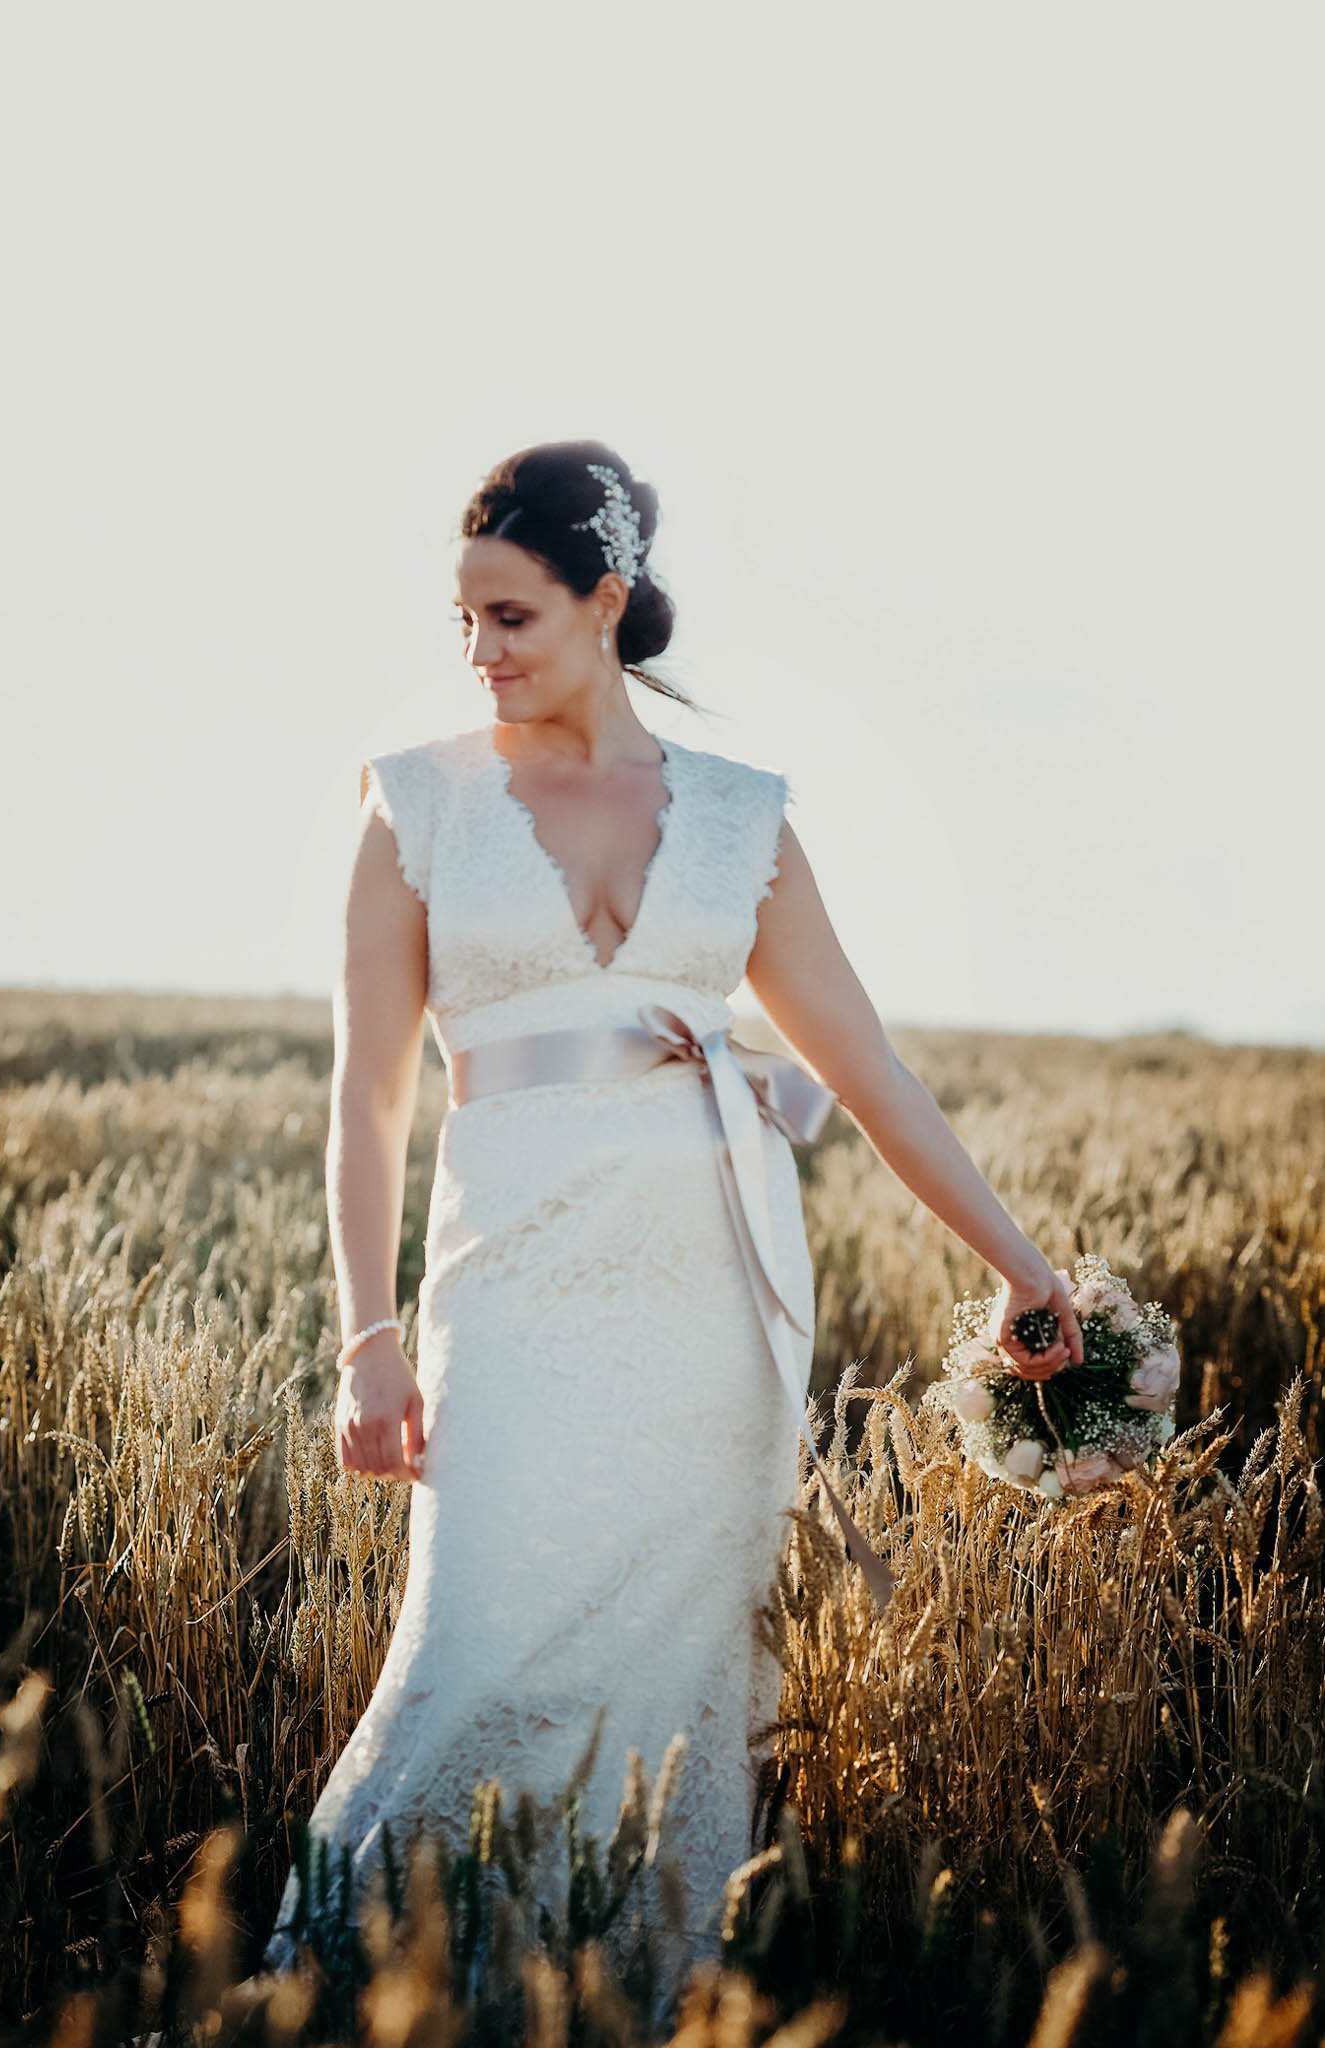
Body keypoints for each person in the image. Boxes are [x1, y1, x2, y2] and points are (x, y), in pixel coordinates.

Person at [259, 440, 1082, 2010]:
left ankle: (631, 1995)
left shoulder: (739, 818)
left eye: (511, 617)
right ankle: (363, 1992)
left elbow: (874, 1077)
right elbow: (367, 1099)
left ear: (605, 601)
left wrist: (1021, 1270)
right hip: (504, 1293)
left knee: (676, 1680)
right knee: (470, 1649)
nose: (480, 651)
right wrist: (365, 1339)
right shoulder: (413, 802)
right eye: (464, 623)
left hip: (712, 1304)